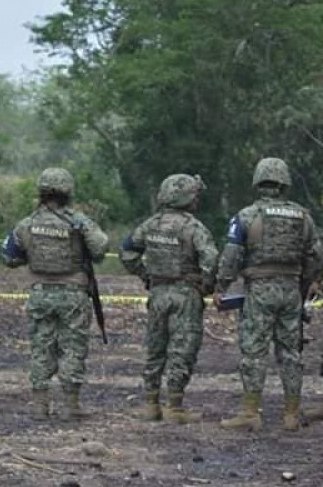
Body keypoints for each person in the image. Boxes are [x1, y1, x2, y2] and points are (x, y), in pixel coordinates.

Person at [214, 157, 323, 431]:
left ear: (258, 181)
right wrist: (307, 282)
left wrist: (221, 286)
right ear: (284, 182)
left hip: (260, 290)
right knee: (290, 351)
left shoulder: (246, 216)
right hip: (291, 291)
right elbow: (316, 255)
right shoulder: (304, 216)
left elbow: (231, 255)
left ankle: (251, 413)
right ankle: (291, 414)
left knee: (254, 350)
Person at [1, 167, 109, 421]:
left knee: (41, 347)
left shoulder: (27, 223)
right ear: (68, 192)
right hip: (73, 294)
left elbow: (8, 256)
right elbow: (101, 249)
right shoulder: (78, 222)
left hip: (39, 294)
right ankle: (71, 406)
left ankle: (40, 406)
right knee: (72, 348)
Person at [119, 174, 218, 424]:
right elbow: (211, 259)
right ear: (187, 198)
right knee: (182, 348)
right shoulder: (194, 227)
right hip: (186, 295)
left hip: (158, 293)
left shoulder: (150, 225)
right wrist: (206, 285)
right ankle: (175, 406)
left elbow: (127, 252)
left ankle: (151, 404)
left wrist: (146, 276)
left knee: (155, 348)